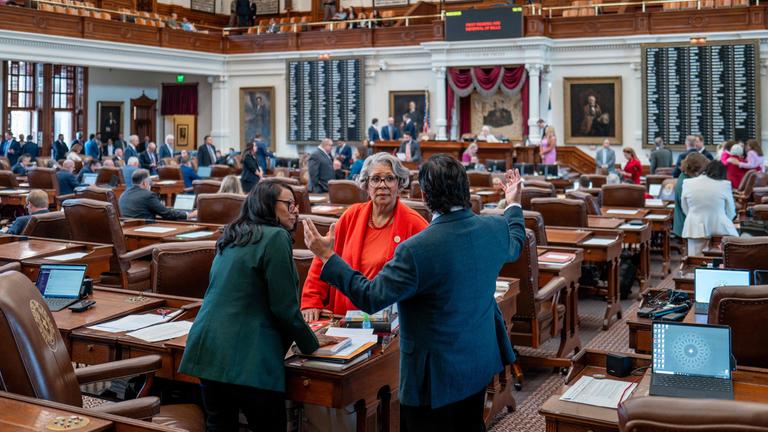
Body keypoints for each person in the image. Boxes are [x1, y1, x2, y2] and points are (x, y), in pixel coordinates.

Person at [301, 155, 524, 431]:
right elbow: (517, 240)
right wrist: (513, 203)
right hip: (478, 361)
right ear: (465, 189)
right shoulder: (495, 228)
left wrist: (327, 256)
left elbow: (370, 297)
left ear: (425, 196)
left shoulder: (416, 249)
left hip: (433, 378)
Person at [179, 181, 322, 431]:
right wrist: (312, 345)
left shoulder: (232, 234)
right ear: (268, 205)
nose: (296, 210)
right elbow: (285, 308)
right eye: (289, 204)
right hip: (249, 357)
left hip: (208, 349)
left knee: (219, 426)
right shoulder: (275, 236)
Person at [301, 151, 428, 318]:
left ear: (399, 184)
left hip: (392, 322)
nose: (382, 185)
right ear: (366, 185)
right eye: (375, 179)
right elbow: (323, 257)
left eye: (390, 178)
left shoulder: (415, 224)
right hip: (344, 318)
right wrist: (311, 300)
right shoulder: (351, 215)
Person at [681, 161, 737, 256]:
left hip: (694, 227)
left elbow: (685, 208)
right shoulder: (725, 184)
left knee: (695, 260)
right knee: (723, 259)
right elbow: (731, 212)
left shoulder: (687, 183)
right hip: (720, 228)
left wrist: (694, 215)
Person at [119, 169, 195, 220]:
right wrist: (189, 215)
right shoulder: (148, 195)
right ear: (145, 183)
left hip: (128, 230)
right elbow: (167, 214)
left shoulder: (123, 194)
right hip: (144, 229)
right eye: (150, 182)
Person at [672, 152, 708, 241]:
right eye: (701, 171)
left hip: (687, 223)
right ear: (695, 170)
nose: (702, 174)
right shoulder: (686, 182)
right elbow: (689, 208)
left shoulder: (685, 176)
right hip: (686, 225)